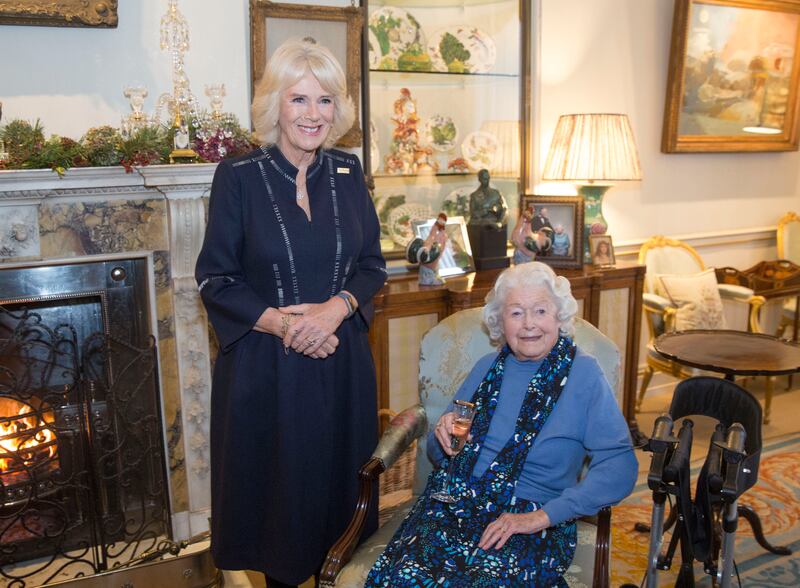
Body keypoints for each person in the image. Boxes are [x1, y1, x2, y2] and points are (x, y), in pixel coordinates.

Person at [195, 38, 386, 588]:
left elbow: (372, 266)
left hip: (342, 361)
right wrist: (288, 325)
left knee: (336, 500)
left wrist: (335, 310)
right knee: (279, 506)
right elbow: (216, 278)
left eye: (325, 101)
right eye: (299, 99)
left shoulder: (350, 173)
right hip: (265, 368)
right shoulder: (239, 176)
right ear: (274, 105)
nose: (313, 114)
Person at [366, 262, 637, 586]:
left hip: (531, 521)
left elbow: (620, 466)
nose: (529, 325)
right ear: (500, 322)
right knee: (404, 577)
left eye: (540, 311)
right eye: (516, 313)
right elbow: (442, 458)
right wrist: (443, 440)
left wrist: (544, 516)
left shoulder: (584, 375)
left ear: (559, 317)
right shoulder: (486, 368)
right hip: (454, 506)